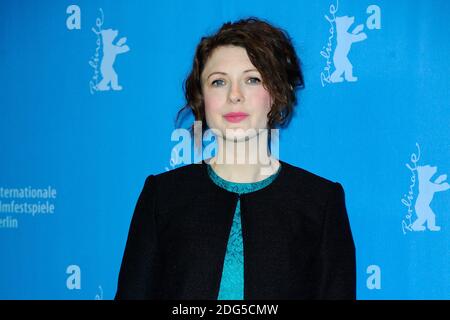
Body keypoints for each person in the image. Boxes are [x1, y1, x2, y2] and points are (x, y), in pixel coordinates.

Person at [115, 17, 356, 300]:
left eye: (252, 79)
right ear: (201, 97)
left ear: (277, 93)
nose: (234, 96)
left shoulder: (319, 201)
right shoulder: (163, 196)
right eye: (218, 82)